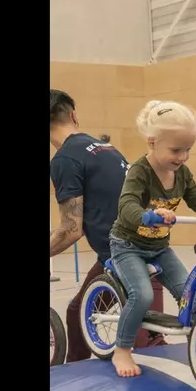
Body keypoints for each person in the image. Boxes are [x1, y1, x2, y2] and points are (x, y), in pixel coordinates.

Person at [108, 99, 196, 378]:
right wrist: (148, 216)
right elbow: (126, 206)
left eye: (188, 150)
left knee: (194, 297)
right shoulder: (139, 172)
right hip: (128, 245)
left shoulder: (182, 173)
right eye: (176, 150)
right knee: (142, 295)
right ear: (152, 142)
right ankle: (122, 349)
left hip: (159, 247)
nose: (183, 157)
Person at [50, 89, 167, 364]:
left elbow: (70, 229)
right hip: (140, 248)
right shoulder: (106, 148)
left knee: (148, 349)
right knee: (79, 313)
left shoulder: (65, 159)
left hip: (127, 258)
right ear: (73, 115)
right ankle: (77, 377)